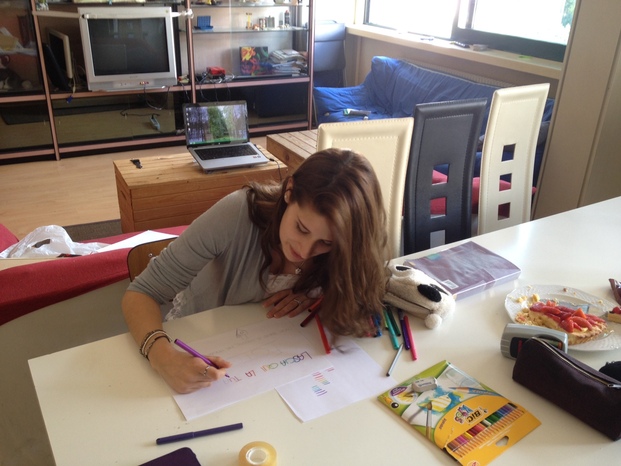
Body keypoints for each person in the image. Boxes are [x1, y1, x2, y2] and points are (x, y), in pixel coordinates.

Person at [122, 148, 389, 393]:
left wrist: (318, 295)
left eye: (326, 243)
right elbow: (141, 292)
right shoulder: (235, 214)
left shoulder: (347, 244)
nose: (306, 251)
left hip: (273, 368)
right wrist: (163, 358)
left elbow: (365, 292)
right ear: (289, 191)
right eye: (301, 228)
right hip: (198, 347)